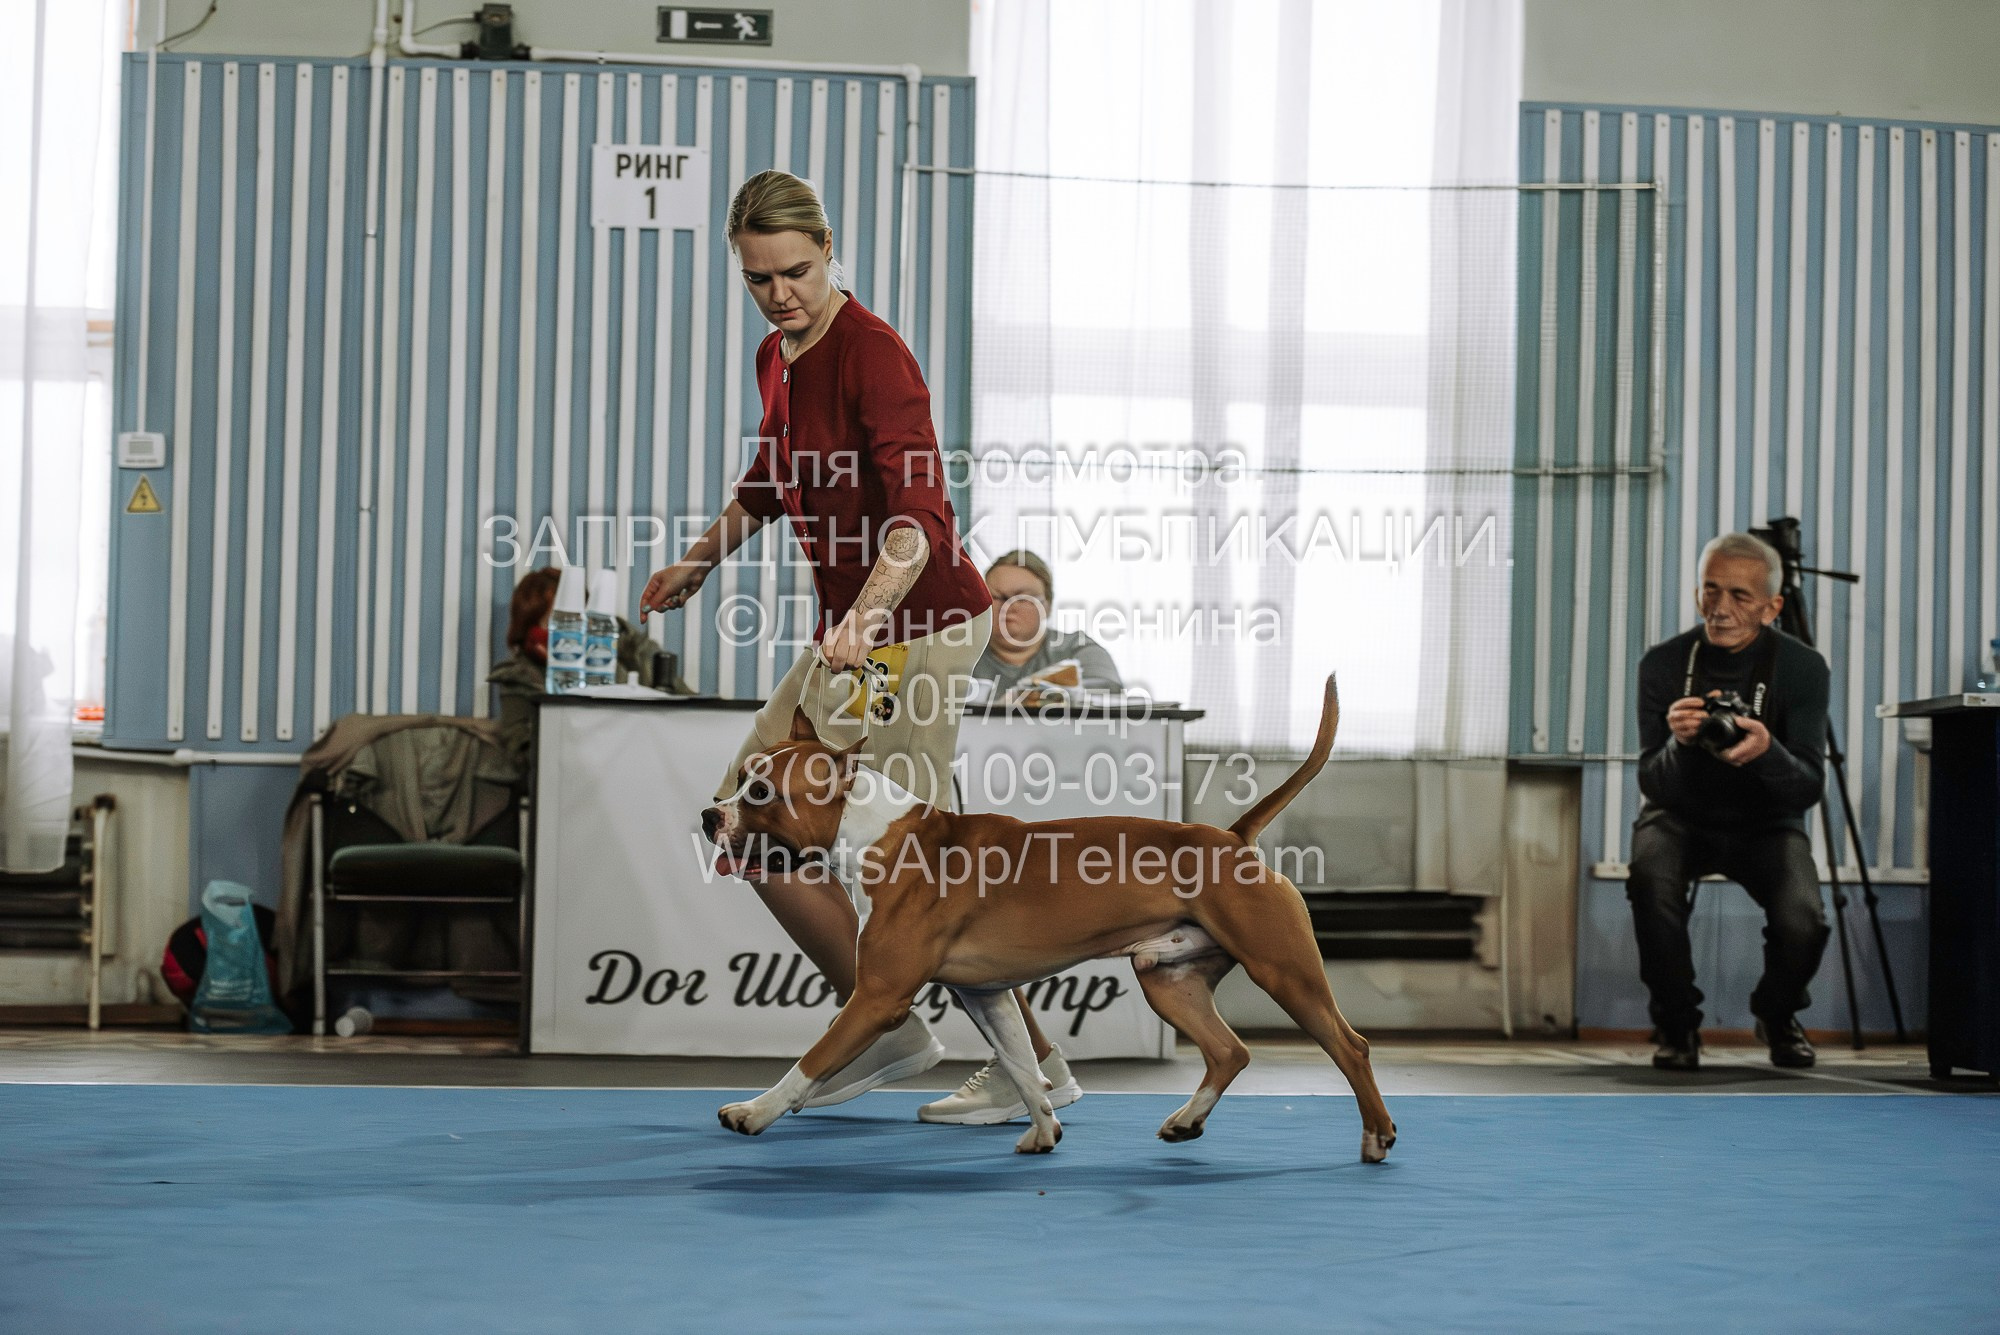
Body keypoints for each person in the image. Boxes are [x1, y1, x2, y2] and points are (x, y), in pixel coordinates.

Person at [638, 171, 1082, 1123]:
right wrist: (698, 561)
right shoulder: (779, 358)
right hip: (853, 637)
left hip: (915, 627)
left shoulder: (877, 357)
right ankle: (968, 1049)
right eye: (759, 279)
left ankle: (929, 1040)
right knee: (740, 822)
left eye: (795, 271)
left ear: (829, 248)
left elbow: (921, 516)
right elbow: (768, 481)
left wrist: (871, 611)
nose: (780, 293)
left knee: (903, 872)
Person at [1630, 532, 1832, 1071]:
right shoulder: (1663, 664)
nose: (1720, 610)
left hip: (1767, 823)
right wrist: (1679, 743)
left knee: (1804, 918)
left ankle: (1777, 1012)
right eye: (1709, 591)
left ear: (1773, 607)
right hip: (1680, 816)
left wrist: (1767, 751)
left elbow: (1809, 785)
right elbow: (1653, 782)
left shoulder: (1803, 668)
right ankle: (1677, 1026)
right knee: (1650, 878)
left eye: (1740, 597)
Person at [488, 567, 687, 776]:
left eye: (574, 622)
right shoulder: (517, 677)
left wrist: (616, 655)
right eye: (552, 623)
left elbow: (683, 707)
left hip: (640, 769)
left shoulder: (626, 652)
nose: (565, 634)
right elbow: (522, 756)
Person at [972, 549, 1125, 695]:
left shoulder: (1077, 649)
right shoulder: (965, 653)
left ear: (1048, 606)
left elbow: (1108, 690)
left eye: (1023, 598)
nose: (1008, 606)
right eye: (996, 597)